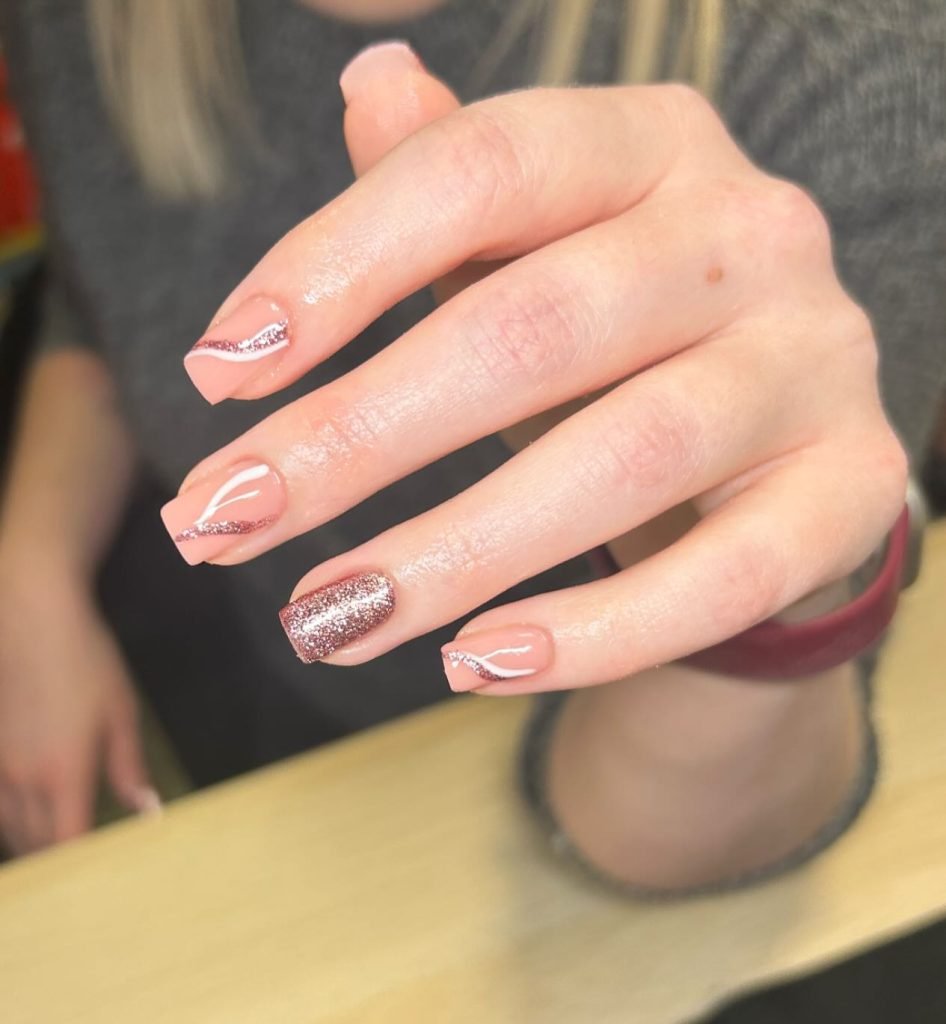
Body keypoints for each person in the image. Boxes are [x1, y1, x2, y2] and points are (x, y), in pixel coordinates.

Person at [0, 0, 943, 895]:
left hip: (544, 840)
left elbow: (692, 843)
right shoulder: (89, 19)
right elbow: (99, 301)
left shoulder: (852, 66)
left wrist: (769, 615)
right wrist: (32, 563)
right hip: (257, 731)